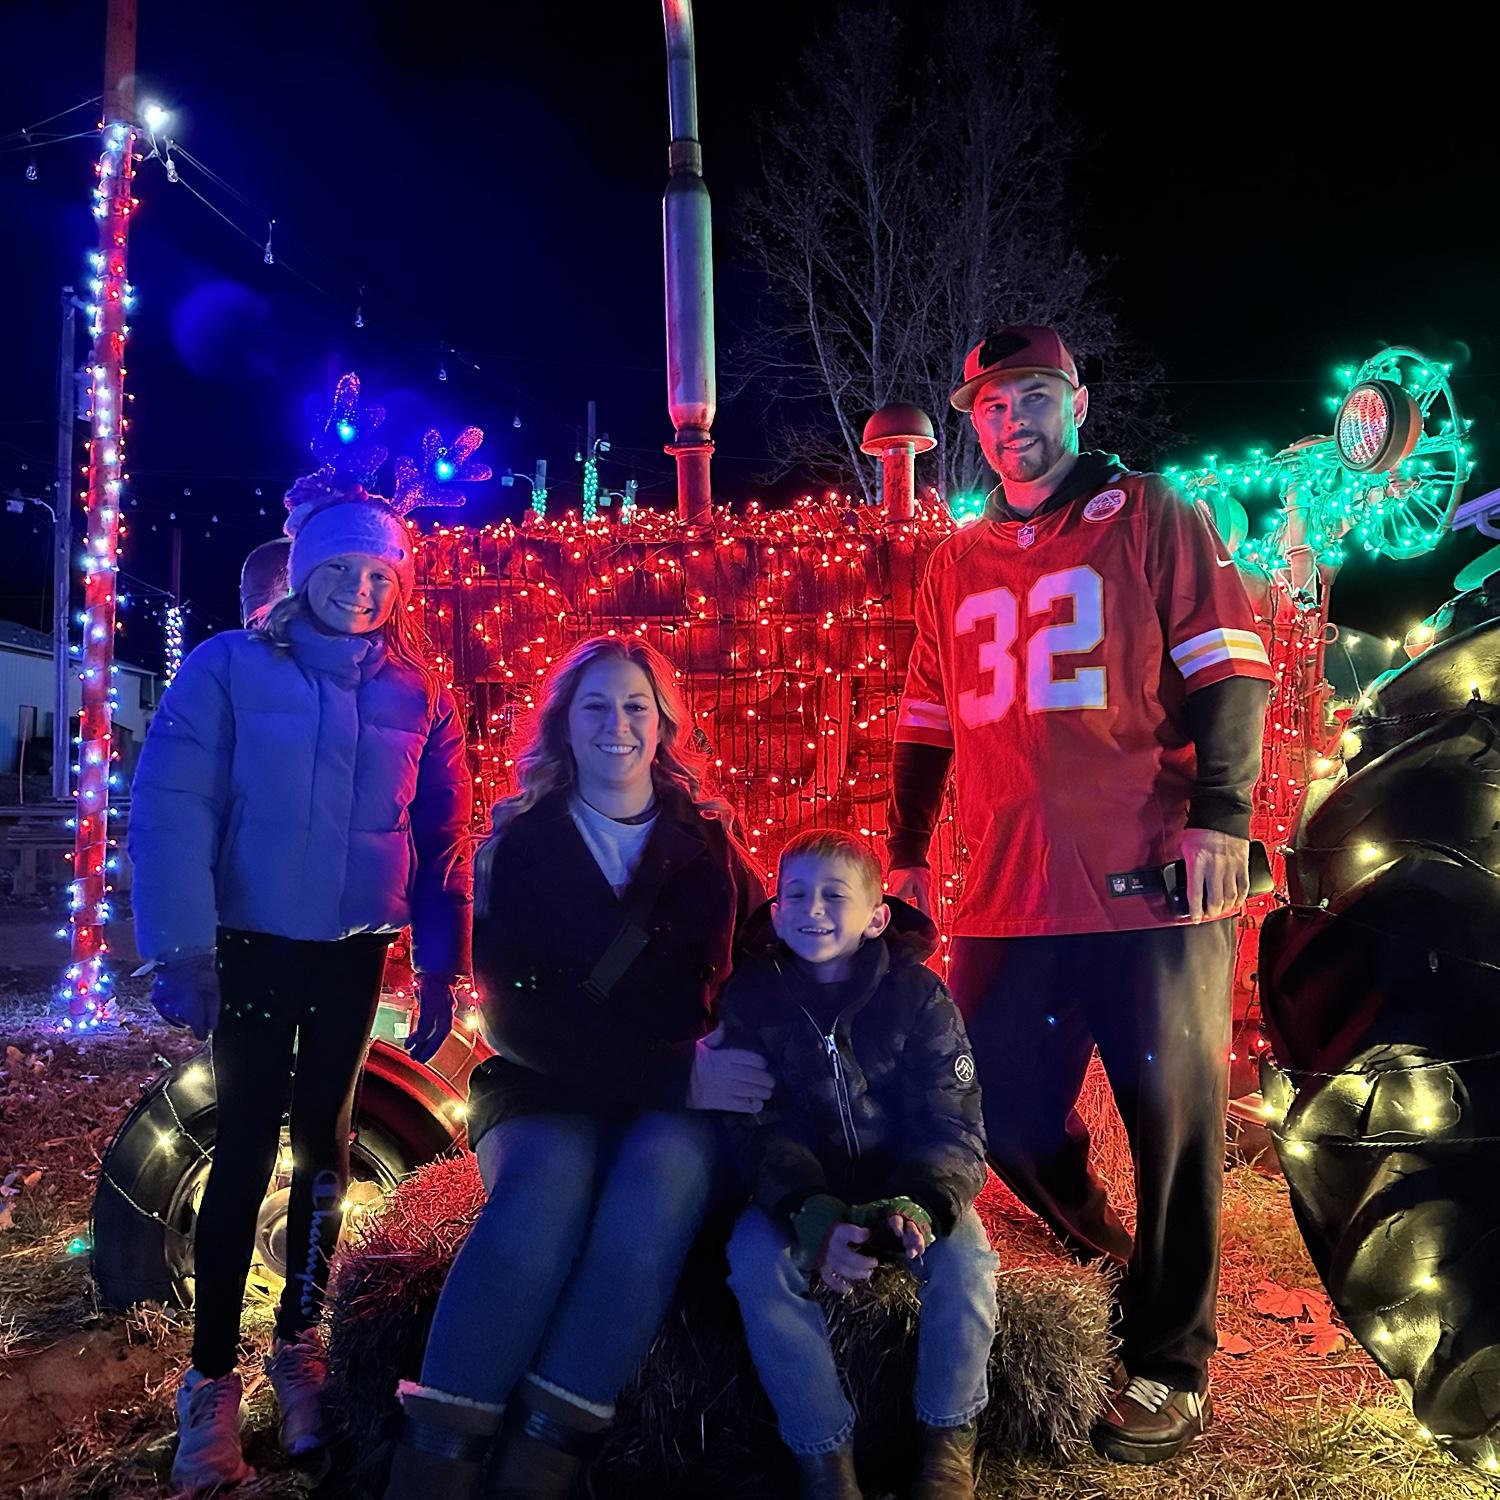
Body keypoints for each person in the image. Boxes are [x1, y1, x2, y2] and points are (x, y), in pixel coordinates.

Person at [886, 326, 1272, 1463]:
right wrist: (907, 850)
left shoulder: (1152, 514)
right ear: (974, 421)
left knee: (1173, 1130)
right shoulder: (954, 561)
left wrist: (1223, 815)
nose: (1014, 421)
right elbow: (924, 718)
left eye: (1035, 396)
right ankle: (1118, 1263)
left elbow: (1230, 665)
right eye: (993, 405)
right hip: (1009, 892)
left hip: (1153, 883)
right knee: (992, 1113)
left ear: (1078, 402)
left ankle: (1172, 1365)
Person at [129, 472, 473, 1492]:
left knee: (326, 1146)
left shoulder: (420, 695)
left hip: (349, 956)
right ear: (306, 570)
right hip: (250, 950)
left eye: (381, 574)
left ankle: (300, 1346)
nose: (361, 590)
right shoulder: (229, 669)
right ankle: (209, 1383)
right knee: (242, 1148)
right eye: (342, 568)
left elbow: (444, 839)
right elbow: (173, 804)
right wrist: (182, 949)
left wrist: (443, 964)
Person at [383, 636, 772, 1500]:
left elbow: (763, 960)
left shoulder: (709, 842)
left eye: (636, 706)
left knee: (658, 1186)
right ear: (564, 724)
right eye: (596, 705)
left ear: (662, 724)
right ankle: (432, 1472)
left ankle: (537, 1471)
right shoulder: (520, 845)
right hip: (548, 1082)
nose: (617, 724)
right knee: (545, 1191)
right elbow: (516, 1018)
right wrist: (679, 1077)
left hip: (678, 1094)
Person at [721, 830, 994, 1500]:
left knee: (967, 1263)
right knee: (754, 1261)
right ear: (776, 913)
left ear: (875, 917)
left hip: (907, 1186)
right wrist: (812, 1213)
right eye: (796, 895)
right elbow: (758, 1127)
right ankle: (824, 1456)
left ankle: (948, 1443)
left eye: (834, 895)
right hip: (804, 1191)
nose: (812, 909)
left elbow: (954, 1122)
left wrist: (916, 1204)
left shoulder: (919, 997)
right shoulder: (751, 1000)